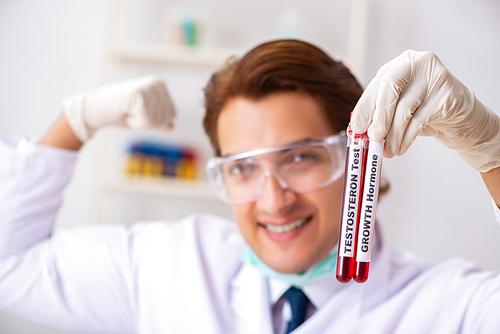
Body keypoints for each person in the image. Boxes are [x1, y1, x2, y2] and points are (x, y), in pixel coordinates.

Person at [0, 39, 499, 334]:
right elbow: (9, 267)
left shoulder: (448, 307)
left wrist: (493, 153)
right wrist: (75, 121)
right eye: (241, 168)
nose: (273, 199)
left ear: (361, 158)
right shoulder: (168, 264)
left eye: (301, 157)